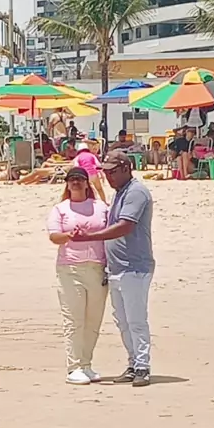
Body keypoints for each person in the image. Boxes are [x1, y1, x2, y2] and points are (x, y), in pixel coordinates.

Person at [71, 150, 154, 387]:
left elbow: (125, 226)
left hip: (134, 267)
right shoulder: (120, 193)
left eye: (112, 172)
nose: (108, 177)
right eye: (105, 173)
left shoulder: (136, 192)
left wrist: (89, 237)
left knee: (136, 320)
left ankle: (143, 366)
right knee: (123, 321)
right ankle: (133, 362)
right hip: (117, 268)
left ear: (126, 169)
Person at [47, 167, 109, 385]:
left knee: (93, 320)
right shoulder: (60, 209)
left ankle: (86, 364)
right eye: (72, 179)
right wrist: (68, 235)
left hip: (97, 268)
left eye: (79, 179)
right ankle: (73, 367)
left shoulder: (101, 207)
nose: (75, 183)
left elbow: (111, 232)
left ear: (86, 183)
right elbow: (54, 236)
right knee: (74, 320)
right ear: (67, 184)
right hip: (70, 269)